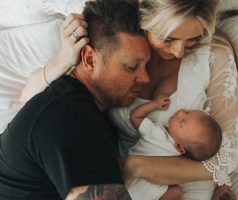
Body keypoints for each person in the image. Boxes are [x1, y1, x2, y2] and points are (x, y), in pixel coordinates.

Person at [20, 0, 238, 200]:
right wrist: (64, 59)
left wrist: (135, 166)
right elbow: (31, 101)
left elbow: (224, 160)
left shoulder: (214, 56)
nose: (180, 51)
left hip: (180, 188)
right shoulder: (121, 46)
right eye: (168, 38)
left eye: (194, 38)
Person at [0, 0, 150, 199]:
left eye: (146, 66)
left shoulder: (78, 106)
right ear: (89, 59)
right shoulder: (69, 118)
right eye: (131, 67)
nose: (146, 78)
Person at [127, 94, 222, 200]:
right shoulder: (181, 158)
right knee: (175, 191)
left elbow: (135, 116)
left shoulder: (157, 133)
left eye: (182, 123)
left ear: (180, 147)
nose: (180, 113)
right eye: (187, 112)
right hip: (148, 190)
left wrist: (154, 104)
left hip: (131, 183)